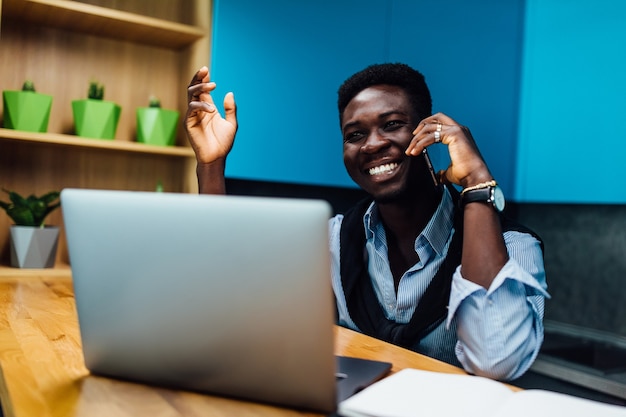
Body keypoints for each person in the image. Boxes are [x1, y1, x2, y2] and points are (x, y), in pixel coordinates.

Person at [184, 63, 549, 381]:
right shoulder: (333, 240)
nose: (372, 144)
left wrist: (476, 183)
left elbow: (495, 360)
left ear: (428, 133)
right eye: (354, 135)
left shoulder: (513, 247)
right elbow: (237, 307)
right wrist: (211, 165)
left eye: (392, 125)